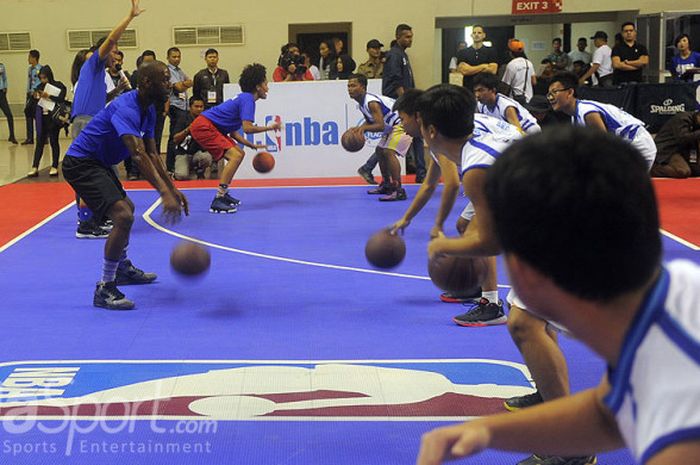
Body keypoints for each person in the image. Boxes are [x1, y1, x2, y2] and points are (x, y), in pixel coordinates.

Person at [416, 126, 700, 465]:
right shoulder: (677, 298)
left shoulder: (678, 441)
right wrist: (488, 433)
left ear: (523, 270)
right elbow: (607, 415)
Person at [62, 61, 189, 310]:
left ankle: (121, 269)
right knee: (123, 216)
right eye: (164, 79)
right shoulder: (126, 107)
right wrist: (164, 193)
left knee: (127, 208)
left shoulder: (149, 108)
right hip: (81, 163)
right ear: (146, 83)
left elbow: (153, 153)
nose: (169, 83)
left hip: (99, 162)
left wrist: (172, 188)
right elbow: (138, 155)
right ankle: (105, 288)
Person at [420, 84, 521, 326]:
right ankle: (489, 299)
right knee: (527, 322)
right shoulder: (480, 144)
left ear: (431, 131)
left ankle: (490, 302)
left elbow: (491, 243)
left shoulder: (476, 169)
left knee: (524, 324)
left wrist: (444, 247)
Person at [70, 0, 144, 239]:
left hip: (89, 120)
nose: (117, 55)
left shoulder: (98, 77)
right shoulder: (94, 64)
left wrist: (116, 91)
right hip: (84, 123)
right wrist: (130, 17)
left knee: (99, 170)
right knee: (90, 171)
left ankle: (95, 219)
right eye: (114, 51)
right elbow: (110, 39)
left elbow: (97, 101)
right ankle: (86, 224)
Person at [188, 63, 281, 213]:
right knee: (236, 155)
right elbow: (247, 128)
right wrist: (270, 127)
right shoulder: (248, 100)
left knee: (239, 153)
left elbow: (234, 133)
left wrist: (251, 146)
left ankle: (224, 195)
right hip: (204, 126)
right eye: (265, 83)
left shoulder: (244, 99)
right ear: (258, 86)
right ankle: (219, 198)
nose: (267, 87)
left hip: (208, 126)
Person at [546, 72, 656, 169]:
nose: (551, 98)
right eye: (549, 94)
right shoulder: (575, 117)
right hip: (624, 147)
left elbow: (603, 146)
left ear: (570, 92)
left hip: (638, 145)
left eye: (555, 92)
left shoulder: (587, 112)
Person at [347, 73, 411, 201]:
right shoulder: (362, 103)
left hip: (403, 123)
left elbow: (380, 125)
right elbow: (370, 122)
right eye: (348, 86)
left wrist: (363, 128)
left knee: (388, 152)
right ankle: (387, 184)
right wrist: (358, 129)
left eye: (353, 85)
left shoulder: (371, 102)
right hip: (392, 127)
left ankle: (399, 190)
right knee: (379, 151)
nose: (350, 89)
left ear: (363, 87)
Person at [383, 24, 426, 183]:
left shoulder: (402, 54)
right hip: (400, 104)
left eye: (411, 36)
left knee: (412, 138)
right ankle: (421, 173)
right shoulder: (395, 55)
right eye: (407, 37)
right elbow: (396, 82)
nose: (410, 39)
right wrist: (406, 104)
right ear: (398, 37)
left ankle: (421, 172)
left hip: (404, 102)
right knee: (392, 143)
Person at [27, 66, 67, 178]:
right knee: (39, 142)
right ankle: (34, 166)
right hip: (42, 118)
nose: (43, 80)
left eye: (45, 78)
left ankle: (54, 166)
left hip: (53, 118)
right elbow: (33, 103)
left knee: (54, 141)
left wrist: (49, 96)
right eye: (41, 78)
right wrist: (35, 97)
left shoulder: (58, 86)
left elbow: (61, 99)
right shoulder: (39, 87)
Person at [473, 73, 541, 135]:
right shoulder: (481, 105)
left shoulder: (506, 107)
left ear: (493, 90)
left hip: (530, 133)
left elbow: (518, 134)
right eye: (475, 91)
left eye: (481, 90)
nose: (477, 95)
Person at [165, 46, 193, 173]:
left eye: (178, 56)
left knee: (181, 137)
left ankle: (180, 164)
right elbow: (179, 88)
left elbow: (190, 81)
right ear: (168, 57)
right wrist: (183, 84)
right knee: (174, 137)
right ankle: (170, 166)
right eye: (174, 57)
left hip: (183, 106)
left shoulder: (179, 71)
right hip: (175, 106)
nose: (176, 59)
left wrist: (184, 84)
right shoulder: (167, 71)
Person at [170, 96, 212, 180]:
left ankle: (199, 170)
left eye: (201, 107)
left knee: (207, 158)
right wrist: (189, 129)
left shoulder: (206, 119)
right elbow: (175, 139)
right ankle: (175, 174)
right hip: (183, 153)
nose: (199, 109)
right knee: (182, 176)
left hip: (197, 153)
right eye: (196, 106)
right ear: (190, 107)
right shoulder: (182, 119)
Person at [650, 110, 700, 178]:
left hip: (684, 150)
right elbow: (682, 138)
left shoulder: (697, 124)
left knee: (697, 170)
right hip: (667, 149)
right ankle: (652, 169)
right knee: (683, 171)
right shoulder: (682, 118)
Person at [456, 25, 498, 91]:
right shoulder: (463, 52)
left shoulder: (491, 51)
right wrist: (483, 66)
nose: (476, 35)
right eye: (474, 33)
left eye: (479, 33)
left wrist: (471, 68)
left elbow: (493, 70)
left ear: (484, 35)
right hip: (468, 88)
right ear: (471, 35)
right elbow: (464, 71)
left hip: (485, 88)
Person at [500, 39, 537, 104]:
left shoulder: (511, 64)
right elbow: (534, 82)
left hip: (515, 100)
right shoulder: (528, 63)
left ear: (510, 52)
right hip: (528, 99)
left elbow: (505, 86)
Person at [22, 49, 42, 145]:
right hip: (29, 94)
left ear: (34, 58)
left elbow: (41, 83)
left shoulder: (40, 69)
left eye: (29, 57)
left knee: (38, 116)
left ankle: (42, 137)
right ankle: (30, 138)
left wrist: (36, 91)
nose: (28, 59)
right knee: (28, 114)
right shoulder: (30, 69)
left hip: (36, 95)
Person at [0, 61, 18, 144]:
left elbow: (4, 78)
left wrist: (5, 86)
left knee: (9, 115)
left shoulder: (1, 66)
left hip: (1, 93)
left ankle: (12, 136)